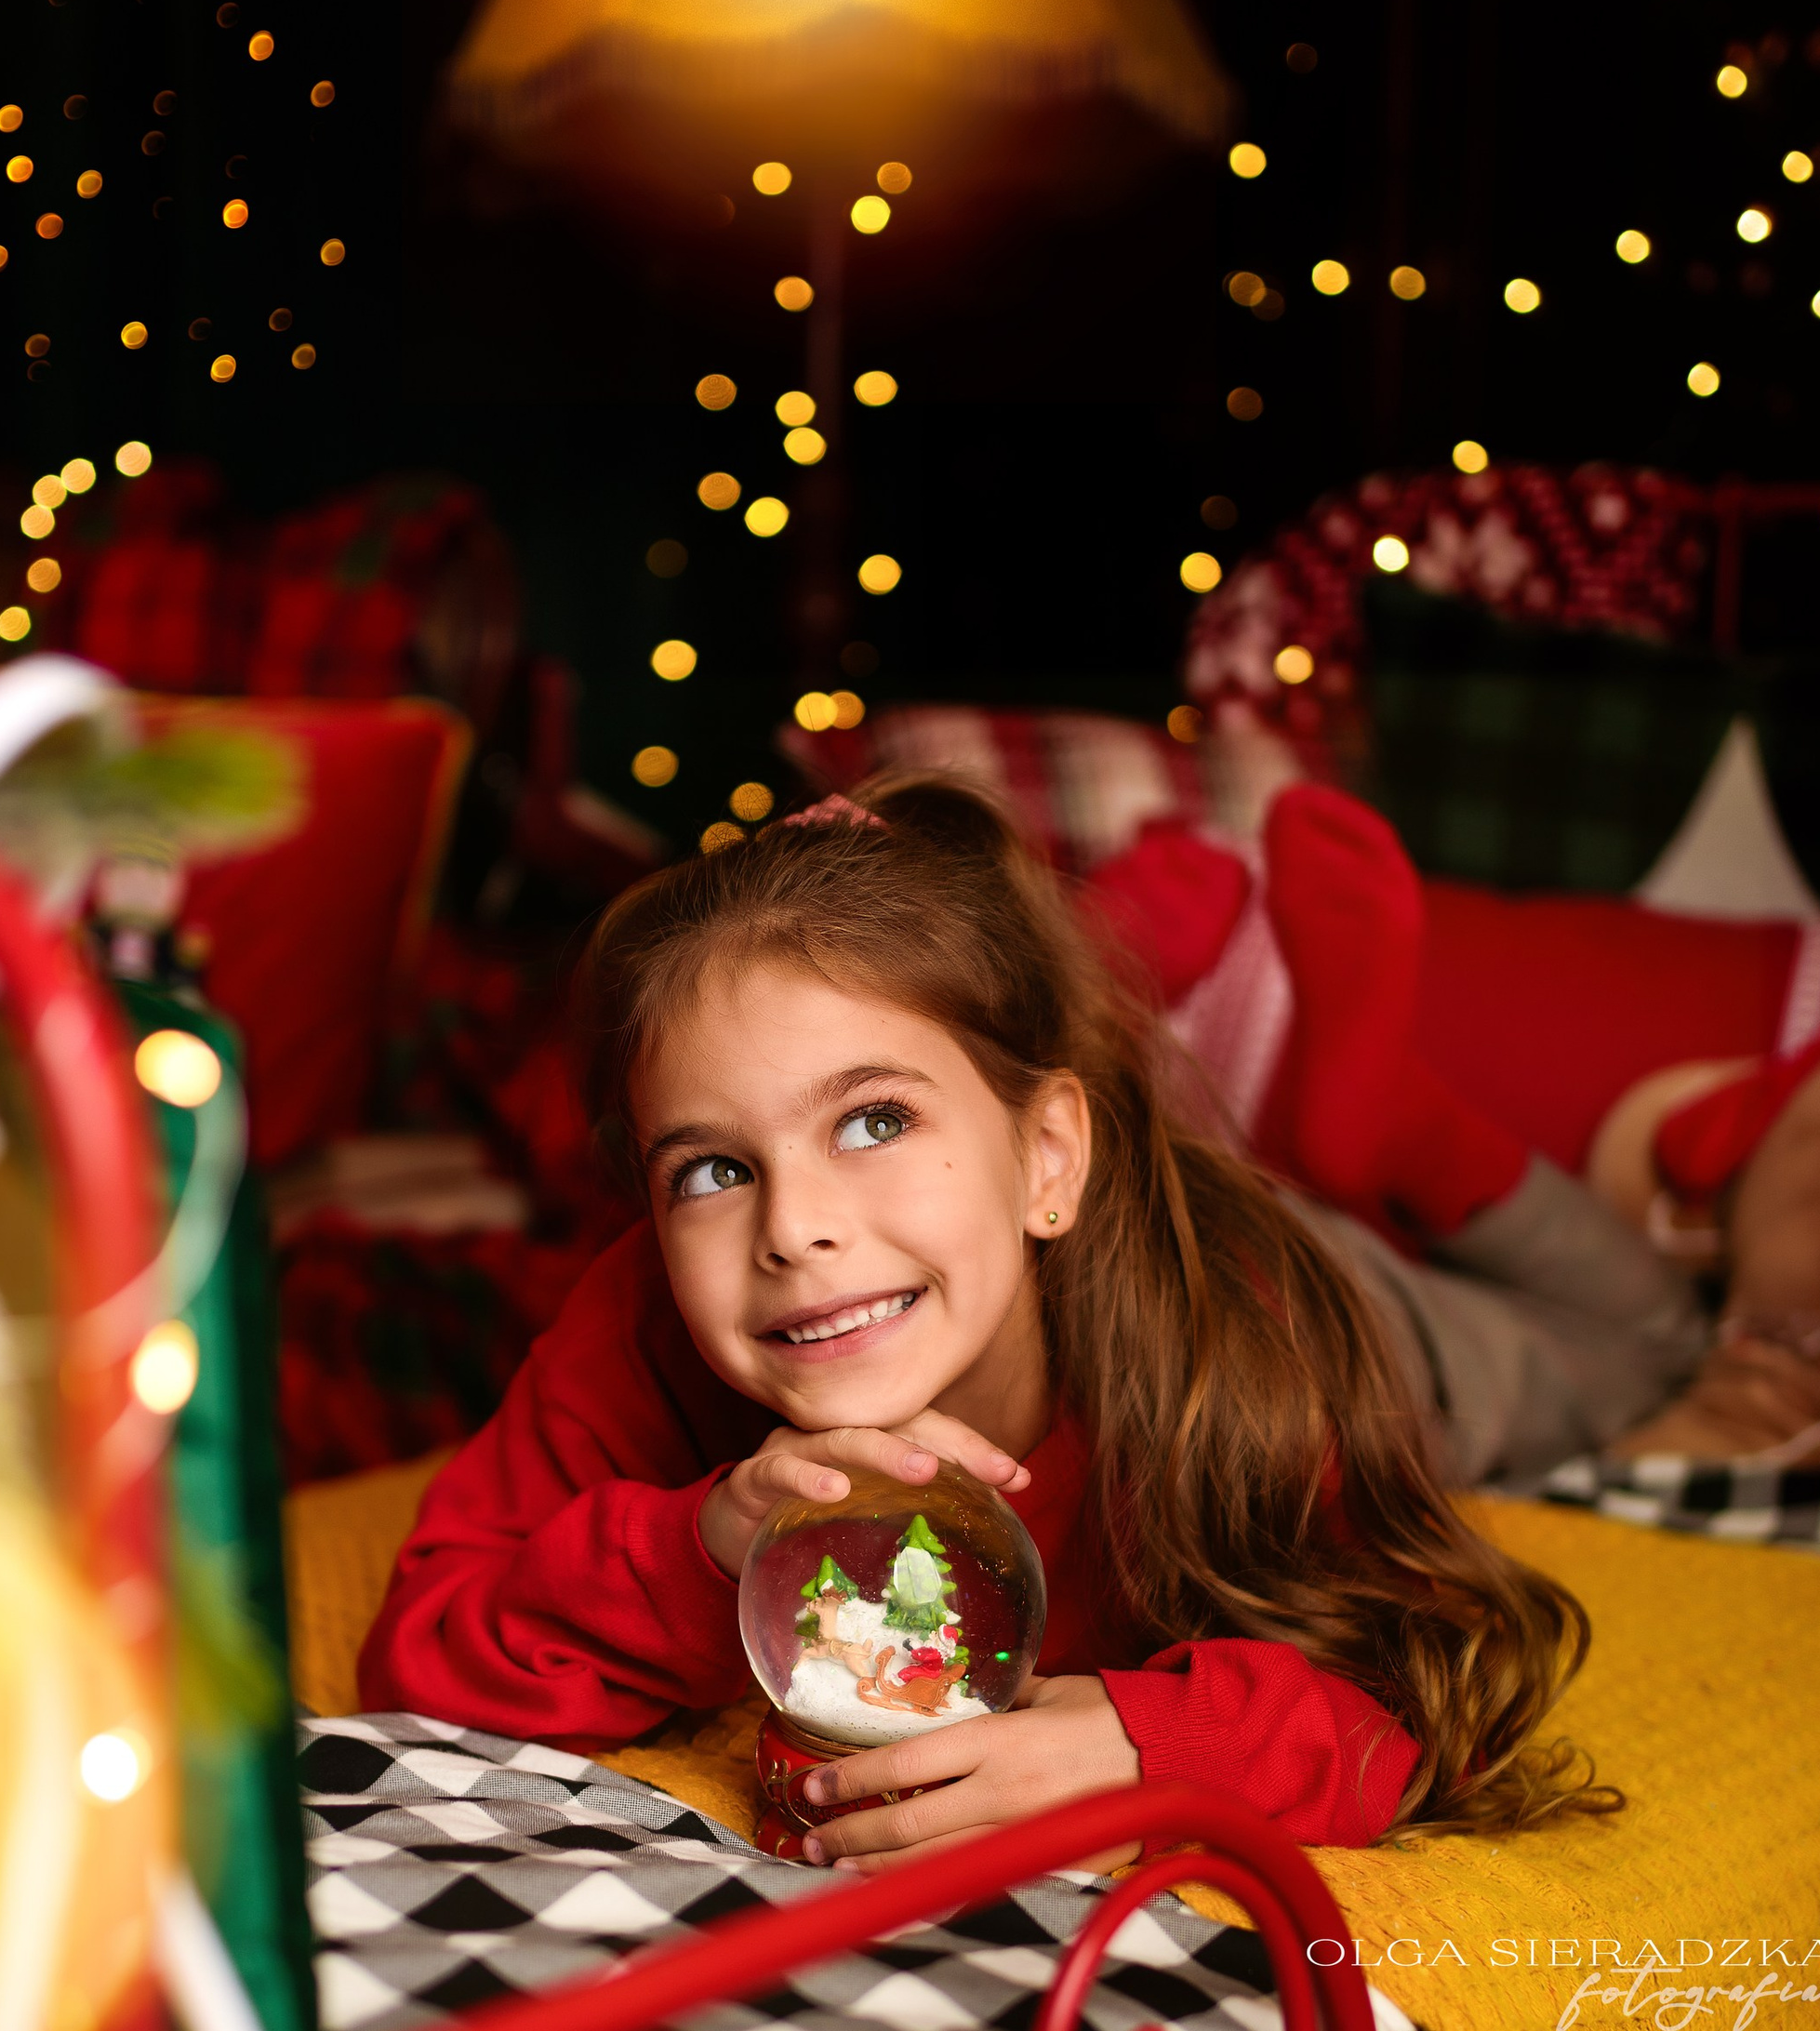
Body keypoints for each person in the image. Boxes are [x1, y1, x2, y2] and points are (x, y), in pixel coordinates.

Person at [363, 774, 1691, 1858]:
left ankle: (1400, 1133)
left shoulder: (1247, 1337)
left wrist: (1138, 1745)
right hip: (1118, 1247)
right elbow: (419, 1659)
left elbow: (1432, 1676)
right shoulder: (650, 1314)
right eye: (712, 1168)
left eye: (874, 1120)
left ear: (1047, 1155)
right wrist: (708, 1553)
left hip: (1373, 1312)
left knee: (1641, 1346)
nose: (790, 1228)